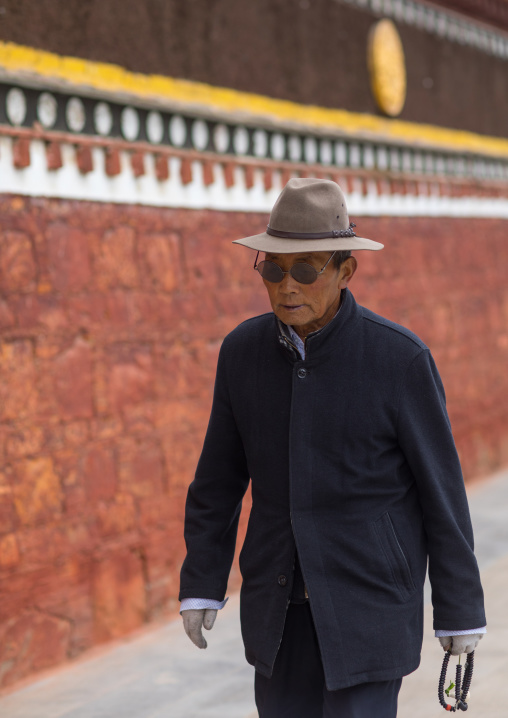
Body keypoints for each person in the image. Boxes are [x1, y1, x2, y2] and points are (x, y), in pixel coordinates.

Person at [179, 178, 486, 718]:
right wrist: (202, 582)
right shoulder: (242, 353)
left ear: (346, 271)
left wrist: (459, 609)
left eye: (306, 268)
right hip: (277, 612)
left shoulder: (399, 360)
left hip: (369, 608)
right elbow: (218, 481)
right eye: (273, 268)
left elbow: (443, 494)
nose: (286, 285)